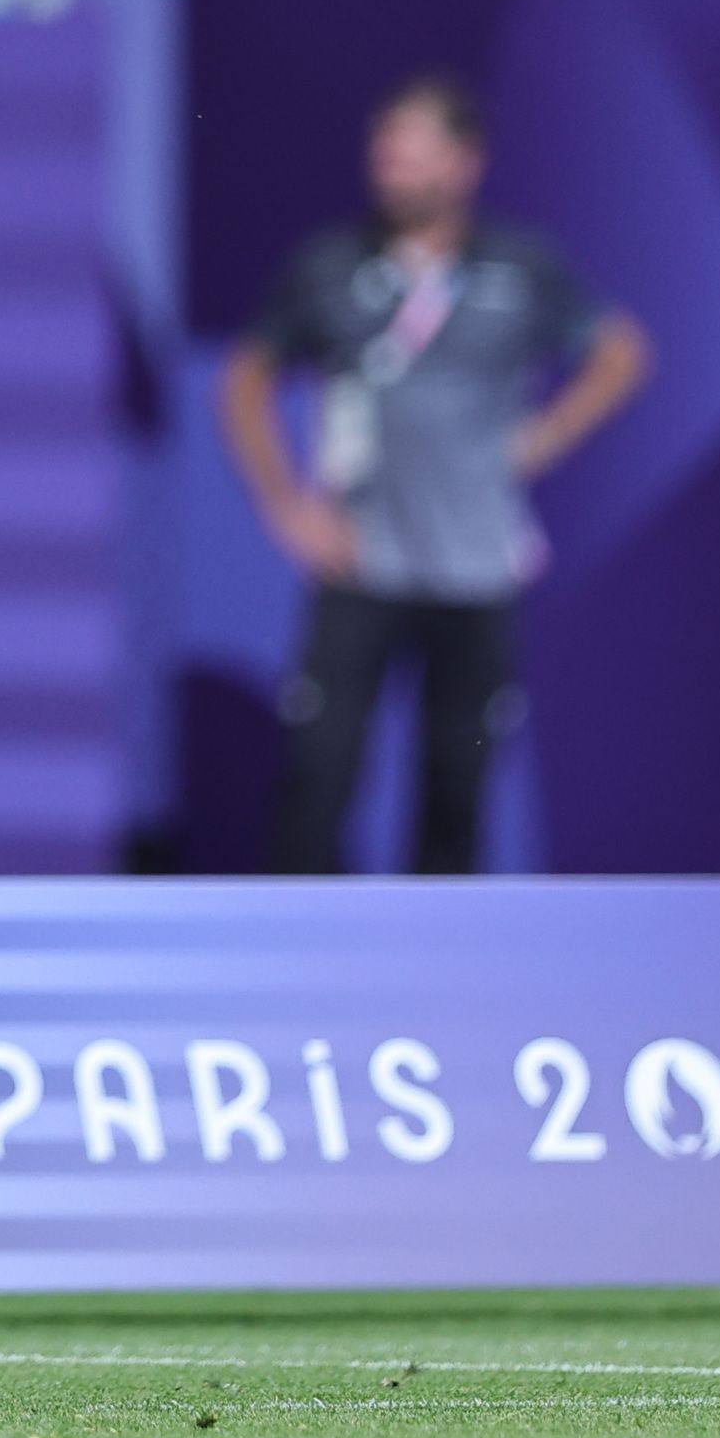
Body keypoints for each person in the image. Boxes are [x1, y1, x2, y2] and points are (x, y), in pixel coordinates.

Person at [218, 74, 651, 876]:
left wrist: (547, 435)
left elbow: (622, 351)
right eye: (383, 154)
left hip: (474, 572)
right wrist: (285, 503)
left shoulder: (523, 267)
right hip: (360, 566)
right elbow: (246, 379)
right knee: (317, 783)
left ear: (465, 163)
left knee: (459, 793)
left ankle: (438, 991)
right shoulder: (328, 266)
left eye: (414, 156)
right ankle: (300, 978)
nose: (393, 172)